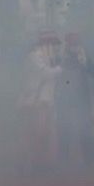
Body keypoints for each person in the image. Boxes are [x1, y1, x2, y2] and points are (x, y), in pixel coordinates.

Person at [20, 31, 61, 174]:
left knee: (46, 134)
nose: (55, 48)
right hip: (36, 101)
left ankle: (43, 165)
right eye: (52, 45)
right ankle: (30, 165)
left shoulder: (47, 58)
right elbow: (46, 73)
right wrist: (60, 69)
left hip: (46, 100)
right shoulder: (34, 56)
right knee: (36, 134)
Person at [55, 32, 94, 168]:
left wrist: (85, 64)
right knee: (64, 128)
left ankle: (90, 159)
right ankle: (64, 160)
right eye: (72, 42)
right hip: (64, 97)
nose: (74, 45)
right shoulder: (60, 56)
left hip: (81, 96)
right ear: (67, 43)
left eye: (76, 42)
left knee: (85, 127)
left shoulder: (83, 55)